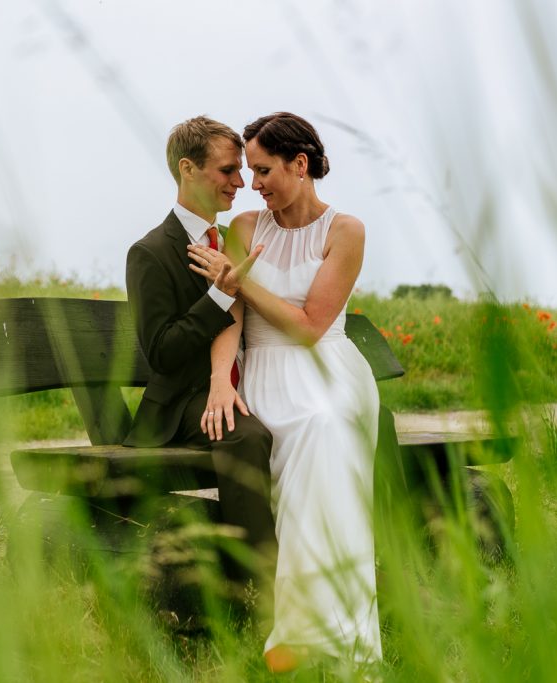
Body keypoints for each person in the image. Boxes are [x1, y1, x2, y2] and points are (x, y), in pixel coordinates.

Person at [188, 112, 382, 671]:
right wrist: (220, 383)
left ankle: (326, 632)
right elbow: (230, 316)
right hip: (265, 374)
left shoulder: (346, 231)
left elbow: (308, 325)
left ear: (300, 164)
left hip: (325, 371)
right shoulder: (246, 228)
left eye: (264, 169)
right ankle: (301, 631)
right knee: (303, 437)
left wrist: (240, 278)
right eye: (249, 171)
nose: (253, 183)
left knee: (323, 430)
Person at [124, 115, 276, 589]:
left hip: (244, 378)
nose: (239, 183)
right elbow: (162, 353)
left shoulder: (233, 240)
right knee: (244, 436)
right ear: (188, 169)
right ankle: (257, 585)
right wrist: (217, 297)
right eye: (228, 171)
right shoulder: (150, 253)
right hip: (182, 401)